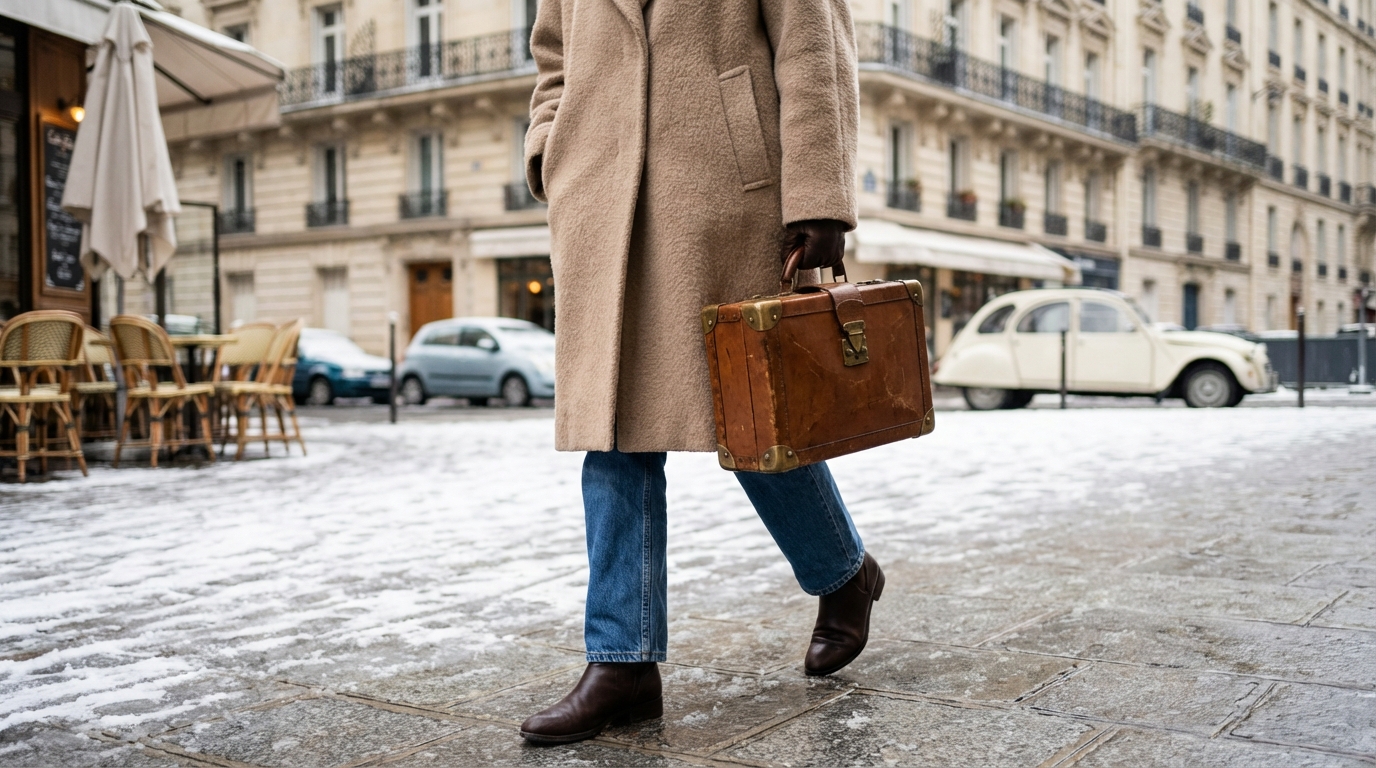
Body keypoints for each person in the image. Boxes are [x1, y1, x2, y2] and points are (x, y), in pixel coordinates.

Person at [518, 0, 882, 745]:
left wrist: (819, 196)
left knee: (753, 417)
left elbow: (813, 48)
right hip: (599, 199)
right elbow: (554, 55)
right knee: (611, 429)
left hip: (726, 200)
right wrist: (551, 150)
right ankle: (622, 664)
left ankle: (845, 573)